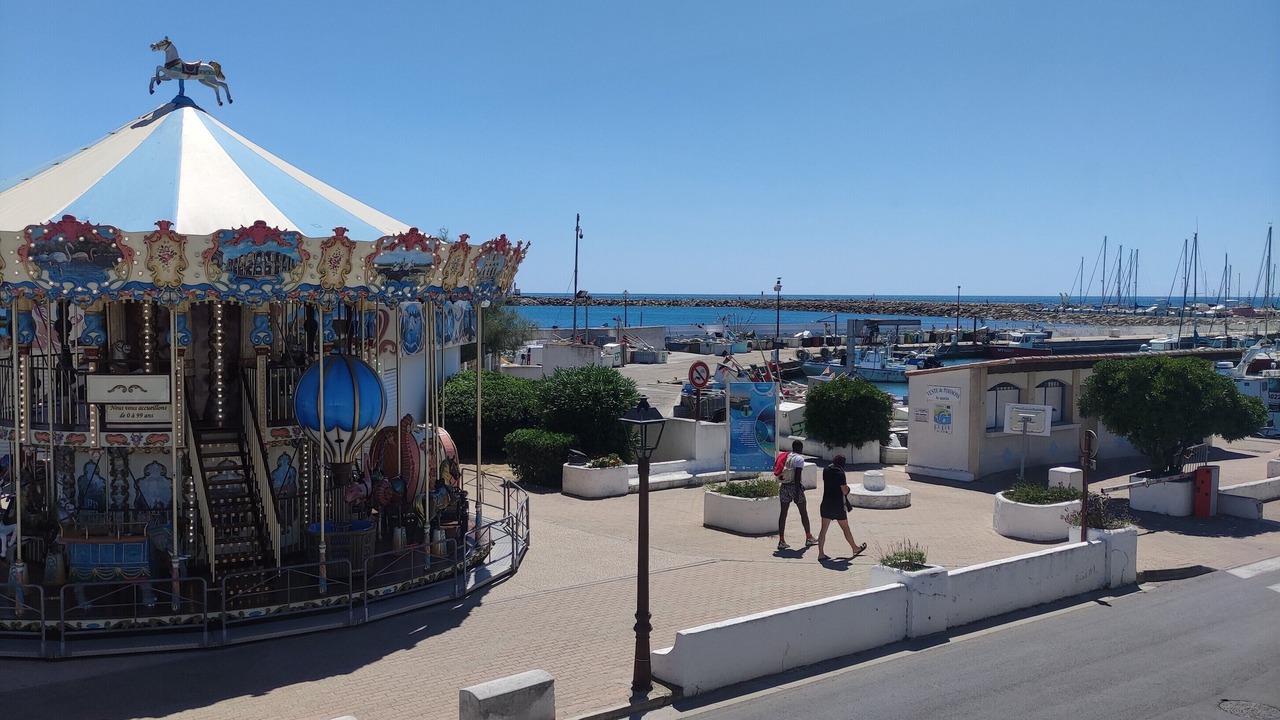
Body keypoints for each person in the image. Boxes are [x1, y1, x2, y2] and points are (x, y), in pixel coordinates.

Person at [817, 454, 868, 562]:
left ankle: (821, 554)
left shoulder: (826, 470)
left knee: (823, 529)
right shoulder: (840, 473)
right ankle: (855, 548)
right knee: (845, 528)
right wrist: (849, 489)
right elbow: (844, 490)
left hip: (826, 503)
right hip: (838, 505)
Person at [777, 439, 817, 551]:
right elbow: (797, 476)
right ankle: (809, 537)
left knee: (783, 513)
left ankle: (781, 540)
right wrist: (797, 492)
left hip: (784, 487)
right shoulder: (799, 459)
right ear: (800, 448)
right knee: (803, 512)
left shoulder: (786, 456)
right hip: (795, 487)